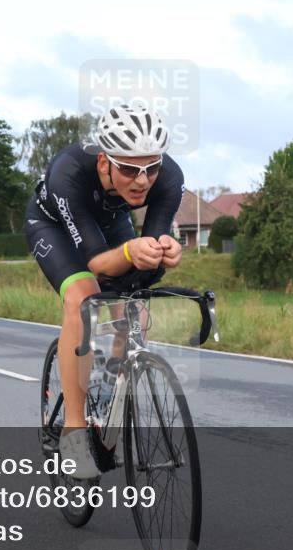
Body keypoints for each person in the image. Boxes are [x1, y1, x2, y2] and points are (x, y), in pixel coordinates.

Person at [25, 104, 185, 478]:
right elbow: (97, 262)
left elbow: (155, 235)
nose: (142, 181)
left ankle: (108, 398)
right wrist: (131, 252)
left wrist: (165, 248)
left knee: (136, 317)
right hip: (55, 229)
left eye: (151, 169)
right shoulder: (69, 173)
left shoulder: (171, 178)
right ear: (104, 163)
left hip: (112, 226)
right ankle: (75, 430)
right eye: (129, 169)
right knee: (83, 301)